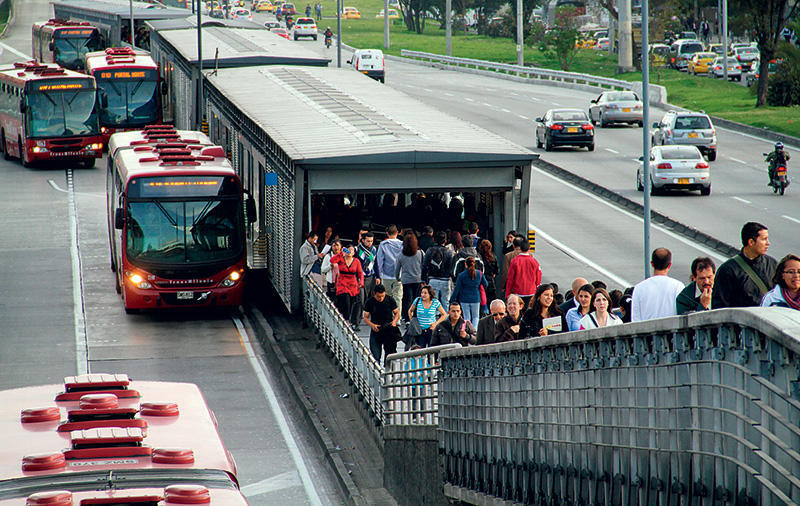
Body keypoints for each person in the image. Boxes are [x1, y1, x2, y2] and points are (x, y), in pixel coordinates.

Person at [713, 222, 777, 308]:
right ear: (751, 242)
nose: (768, 243)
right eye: (764, 239)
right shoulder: (728, 270)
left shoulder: (772, 264)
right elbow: (720, 306)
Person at [631, 248, 684, 322]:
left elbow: (635, 319)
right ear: (669, 265)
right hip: (671, 332)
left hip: (646, 332)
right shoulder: (678, 286)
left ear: (652, 264)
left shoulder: (639, 288)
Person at [363, 284, 400, 365]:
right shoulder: (370, 302)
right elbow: (365, 317)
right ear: (374, 293)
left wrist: (394, 322)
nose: (381, 298)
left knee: (390, 355)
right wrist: (372, 325)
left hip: (388, 329)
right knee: (375, 356)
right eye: (378, 296)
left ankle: (389, 373)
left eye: (383, 296)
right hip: (376, 329)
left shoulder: (390, 300)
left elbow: (397, 313)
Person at [329, 244, 364, 331]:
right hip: (342, 282)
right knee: (346, 301)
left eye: (351, 250)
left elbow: (360, 273)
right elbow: (332, 260)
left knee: (352, 302)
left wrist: (361, 281)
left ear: (354, 253)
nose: (349, 252)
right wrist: (341, 253)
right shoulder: (341, 259)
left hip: (353, 283)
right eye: (348, 250)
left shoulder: (356, 261)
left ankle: (348, 319)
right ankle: (347, 320)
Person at [450, 257, 488, 329]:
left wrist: (451, 300)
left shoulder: (461, 275)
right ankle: (474, 332)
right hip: (476, 298)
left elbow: (457, 289)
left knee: (467, 317)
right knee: (476, 317)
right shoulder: (479, 273)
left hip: (464, 298)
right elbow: (486, 284)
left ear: (465, 264)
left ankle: (467, 331)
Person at [395, 233, 424, 323]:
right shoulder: (420, 253)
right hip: (418, 279)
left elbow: (397, 268)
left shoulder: (401, 255)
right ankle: (416, 316)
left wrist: (397, 277)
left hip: (406, 280)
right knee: (418, 299)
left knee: (408, 299)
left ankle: (407, 318)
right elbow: (424, 266)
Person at [504, 240, 542, 307]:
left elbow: (510, 279)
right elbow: (538, 276)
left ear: (520, 248)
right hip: (531, 291)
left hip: (518, 291)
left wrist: (508, 294)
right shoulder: (534, 261)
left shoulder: (515, 261)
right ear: (529, 248)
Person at [421, 231, 454, 305]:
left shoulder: (429, 250)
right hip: (445, 280)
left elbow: (424, 266)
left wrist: (423, 278)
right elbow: (451, 267)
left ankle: (434, 316)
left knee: (433, 302)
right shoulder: (448, 252)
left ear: (434, 240)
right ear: (445, 241)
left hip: (432, 279)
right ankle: (445, 316)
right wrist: (453, 280)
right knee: (445, 302)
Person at [376, 224, 404, 310]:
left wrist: (379, 275)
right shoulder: (402, 244)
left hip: (386, 275)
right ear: (397, 232)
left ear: (387, 233)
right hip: (399, 275)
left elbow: (380, 261)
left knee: (387, 297)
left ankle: (388, 317)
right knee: (398, 297)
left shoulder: (383, 244)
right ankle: (397, 318)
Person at [354, 232, 380, 325]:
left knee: (369, 299)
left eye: (371, 241)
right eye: (368, 241)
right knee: (360, 299)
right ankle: (356, 321)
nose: (370, 243)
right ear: (363, 240)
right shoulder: (357, 249)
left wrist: (378, 276)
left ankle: (371, 320)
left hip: (370, 277)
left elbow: (375, 263)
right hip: (359, 277)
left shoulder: (374, 249)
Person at [478, 240, 499, 311]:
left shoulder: (479, 258)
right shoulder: (494, 257)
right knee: (491, 304)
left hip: (480, 284)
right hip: (491, 283)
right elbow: (496, 271)